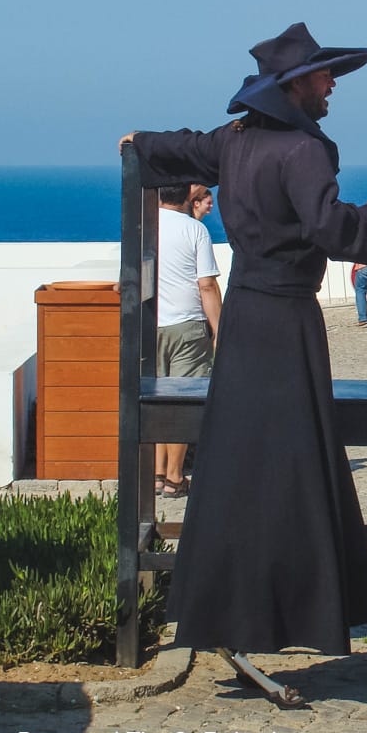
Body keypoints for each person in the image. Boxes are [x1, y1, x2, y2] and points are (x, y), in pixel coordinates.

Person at [119, 22, 367, 707]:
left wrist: (137, 144)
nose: (331, 85)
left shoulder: (234, 143)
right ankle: (300, 610)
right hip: (286, 320)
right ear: (293, 87)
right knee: (295, 467)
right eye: (322, 77)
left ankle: (229, 614)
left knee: (240, 473)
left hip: (247, 319)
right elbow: (326, 226)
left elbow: (181, 148)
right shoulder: (306, 149)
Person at [154, 183, 221, 499]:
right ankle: (174, 477)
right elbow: (206, 285)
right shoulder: (195, 231)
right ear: (186, 196)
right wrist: (219, 329)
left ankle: (155, 473)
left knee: (154, 398)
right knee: (181, 401)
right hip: (187, 325)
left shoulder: (145, 224)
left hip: (149, 323)